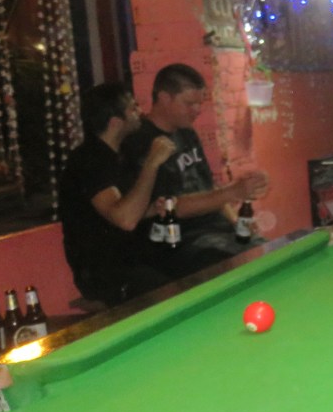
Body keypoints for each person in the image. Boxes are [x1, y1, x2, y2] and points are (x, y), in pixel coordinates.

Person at [122, 63, 270, 277]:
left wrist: (236, 221)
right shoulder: (139, 142)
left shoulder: (187, 132)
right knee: (244, 263)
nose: (197, 110)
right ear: (164, 98)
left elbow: (209, 186)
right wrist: (234, 191)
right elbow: (169, 207)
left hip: (215, 232)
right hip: (180, 241)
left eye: (199, 103)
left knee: (266, 250)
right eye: (189, 103)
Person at [59, 82, 175, 306]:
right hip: (104, 271)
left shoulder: (121, 154)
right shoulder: (88, 160)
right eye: (133, 108)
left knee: (195, 264)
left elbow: (123, 209)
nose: (140, 111)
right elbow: (124, 219)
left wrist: (152, 209)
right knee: (170, 293)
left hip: (133, 258)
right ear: (115, 122)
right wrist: (151, 163)